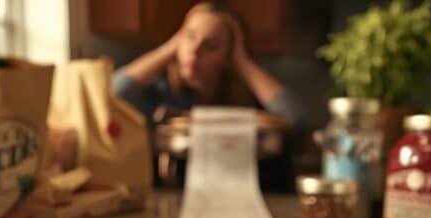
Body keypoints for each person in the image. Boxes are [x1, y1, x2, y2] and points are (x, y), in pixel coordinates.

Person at [111, 1, 305, 128]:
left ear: (228, 57)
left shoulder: (243, 100)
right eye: (190, 36)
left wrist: (242, 61)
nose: (195, 51)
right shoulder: (160, 94)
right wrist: (171, 47)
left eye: (210, 46)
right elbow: (110, 93)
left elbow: (295, 118)